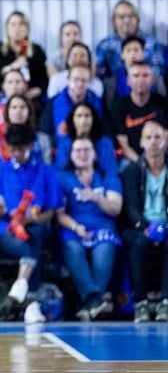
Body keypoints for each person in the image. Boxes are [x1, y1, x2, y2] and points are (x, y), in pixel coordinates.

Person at [0, 123, 60, 323]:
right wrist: (1, 211)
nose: (16, 153)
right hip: (7, 228)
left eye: (20, 149)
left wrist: (33, 217)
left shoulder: (45, 171)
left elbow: (51, 212)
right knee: (30, 249)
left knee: (35, 234)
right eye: (12, 149)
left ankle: (26, 293)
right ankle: (30, 300)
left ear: (30, 146)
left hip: (37, 226)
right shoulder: (3, 170)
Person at [55, 137, 122, 320]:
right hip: (74, 228)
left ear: (95, 154)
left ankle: (90, 303)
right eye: (78, 150)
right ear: (71, 155)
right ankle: (95, 300)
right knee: (72, 247)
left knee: (105, 246)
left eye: (87, 150)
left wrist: (97, 197)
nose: (82, 154)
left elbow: (115, 208)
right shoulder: (63, 178)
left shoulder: (107, 177)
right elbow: (59, 214)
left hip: (102, 228)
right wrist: (76, 227)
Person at [120, 121, 168, 322]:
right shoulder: (131, 171)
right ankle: (140, 303)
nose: (153, 142)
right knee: (139, 243)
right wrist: (147, 228)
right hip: (140, 227)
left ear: (165, 140)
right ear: (141, 142)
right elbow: (131, 207)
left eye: (158, 137)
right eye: (149, 137)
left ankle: (166, 302)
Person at [0, 11, 49, 103]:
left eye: (21, 24)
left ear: (27, 28)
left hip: (31, 99)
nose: (17, 28)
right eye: (13, 24)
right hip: (1, 99)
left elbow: (44, 79)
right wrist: (11, 67)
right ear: (7, 28)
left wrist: (38, 90)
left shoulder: (36, 50)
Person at [109, 61, 168, 165]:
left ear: (152, 80)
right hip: (132, 159)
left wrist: (155, 162)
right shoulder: (119, 106)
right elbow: (124, 146)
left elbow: (166, 140)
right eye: (136, 76)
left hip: (160, 157)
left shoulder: (163, 104)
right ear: (128, 80)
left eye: (145, 76)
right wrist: (142, 164)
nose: (140, 80)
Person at [95, 0, 166, 80]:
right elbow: (99, 75)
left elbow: (158, 72)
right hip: (114, 86)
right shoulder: (104, 45)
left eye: (131, 16)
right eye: (121, 17)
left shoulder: (152, 42)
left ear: (138, 19)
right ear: (114, 20)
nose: (127, 21)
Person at [53, 101, 119, 179]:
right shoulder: (64, 143)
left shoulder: (105, 144)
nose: (83, 121)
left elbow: (111, 173)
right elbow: (62, 172)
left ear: (93, 119)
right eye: (79, 116)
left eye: (87, 116)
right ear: (72, 119)